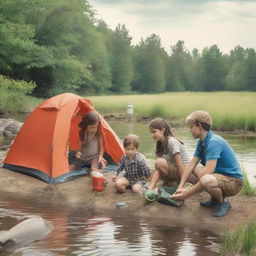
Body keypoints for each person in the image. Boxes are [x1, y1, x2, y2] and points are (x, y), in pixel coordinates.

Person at [171, 110, 243, 217]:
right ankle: (215, 199)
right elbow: (191, 164)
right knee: (194, 169)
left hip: (234, 182)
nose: (190, 130)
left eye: (191, 127)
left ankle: (223, 202)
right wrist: (180, 187)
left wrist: (187, 194)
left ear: (199, 126)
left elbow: (207, 173)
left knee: (205, 178)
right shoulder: (202, 141)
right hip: (219, 177)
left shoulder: (213, 142)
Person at [148, 118, 198, 191]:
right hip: (176, 172)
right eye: (151, 133)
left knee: (159, 162)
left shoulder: (172, 142)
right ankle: (170, 184)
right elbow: (158, 170)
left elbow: (179, 165)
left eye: (154, 132)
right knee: (158, 165)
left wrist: (182, 185)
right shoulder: (159, 144)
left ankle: (175, 184)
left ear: (162, 130)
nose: (152, 135)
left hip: (187, 173)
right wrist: (151, 187)